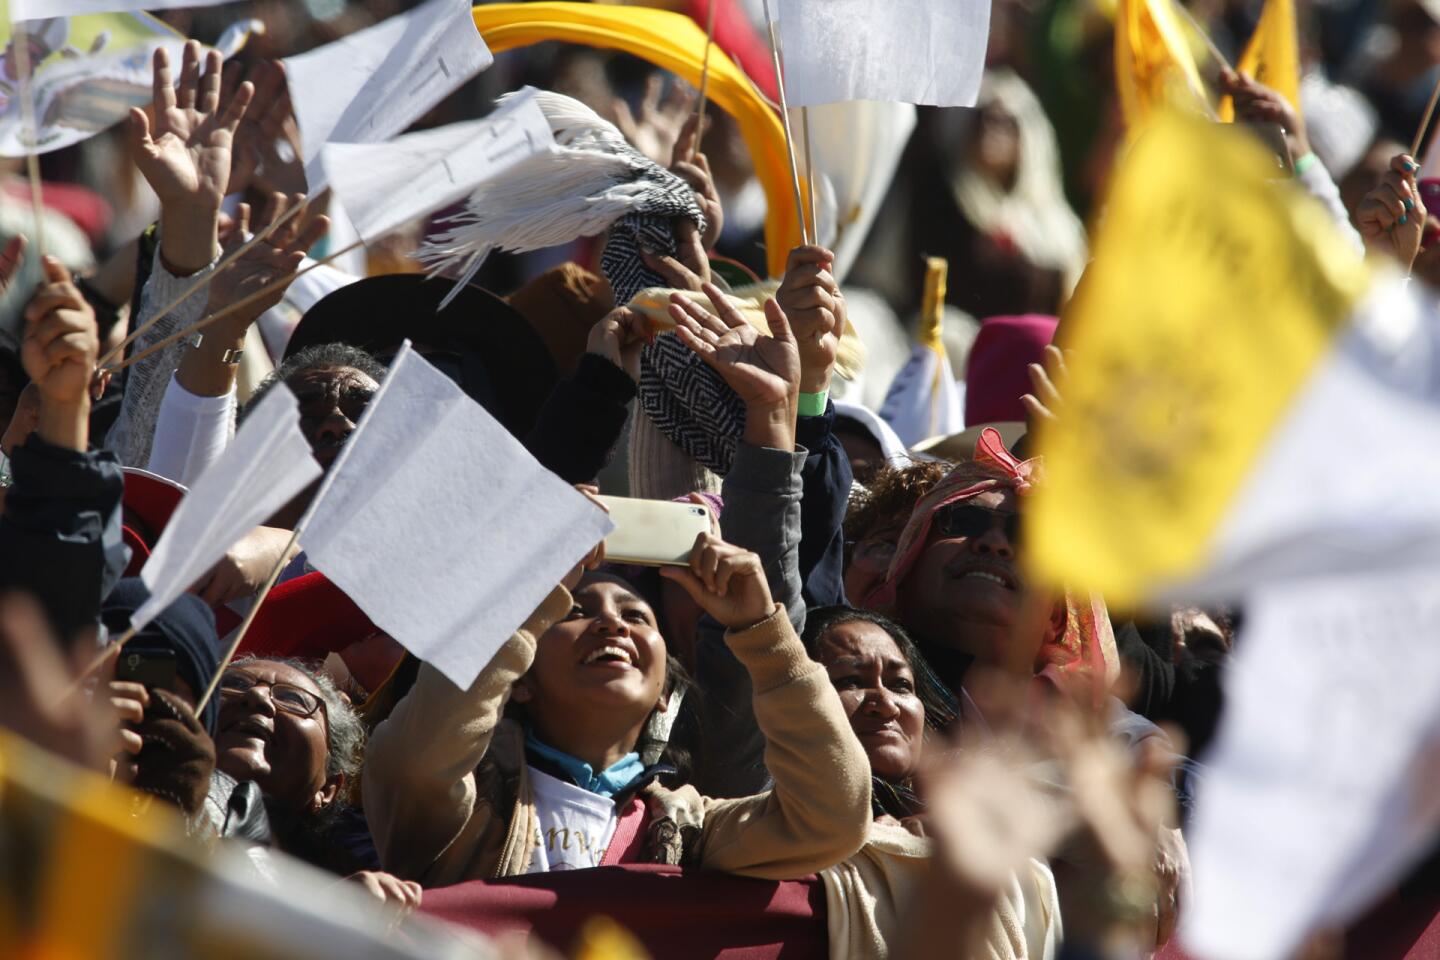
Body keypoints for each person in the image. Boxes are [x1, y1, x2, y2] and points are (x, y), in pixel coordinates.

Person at [363, 528, 872, 884]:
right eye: (575, 612)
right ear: (518, 680)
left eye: (636, 616)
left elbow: (832, 818)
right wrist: (527, 594)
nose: (613, 625)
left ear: (665, 696)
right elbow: (422, 750)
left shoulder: (692, 827)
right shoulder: (459, 802)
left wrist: (763, 632)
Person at [803, 605, 1061, 959]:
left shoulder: (969, 807)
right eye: (850, 680)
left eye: (901, 685)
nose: (885, 704)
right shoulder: (772, 810)